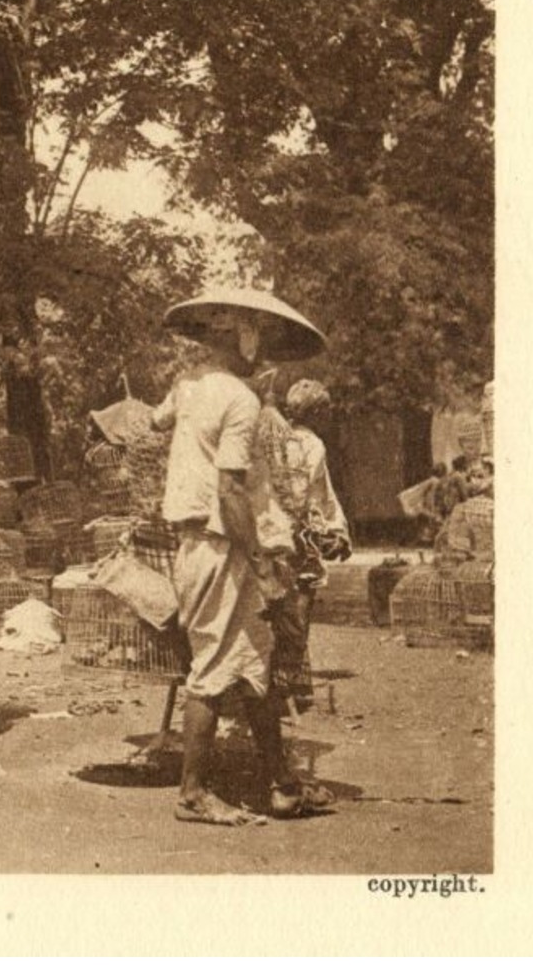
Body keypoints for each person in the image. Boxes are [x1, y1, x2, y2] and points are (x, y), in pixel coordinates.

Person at [154, 286, 332, 827]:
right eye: (256, 334)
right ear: (242, 336)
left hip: (203, 540)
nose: (263, 348)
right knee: (212, 668)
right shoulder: (239, 400)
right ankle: (192, 794)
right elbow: (231, 490)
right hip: (220, 544)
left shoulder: (193, 388)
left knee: (256, 662)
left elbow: (159, 422)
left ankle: (280, 782)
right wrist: (260, 561)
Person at [251, 379, 352, 715]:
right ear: (318, 413)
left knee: (271, 609)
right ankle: (287, 680)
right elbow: (317, 493)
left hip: (267, 529)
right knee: (299, 609)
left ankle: (271, 680)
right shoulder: (313, 444)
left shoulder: (270, 434)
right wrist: (333, 530)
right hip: (298, 533)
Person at [439, 457, 494, 562]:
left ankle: (461, 548)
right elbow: (465, 493)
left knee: (457, 519)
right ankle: (461, 549)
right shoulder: (458, 477)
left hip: (471, 505)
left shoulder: (454, 476)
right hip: (463, 504)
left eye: (483, 468)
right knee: (458, 520)